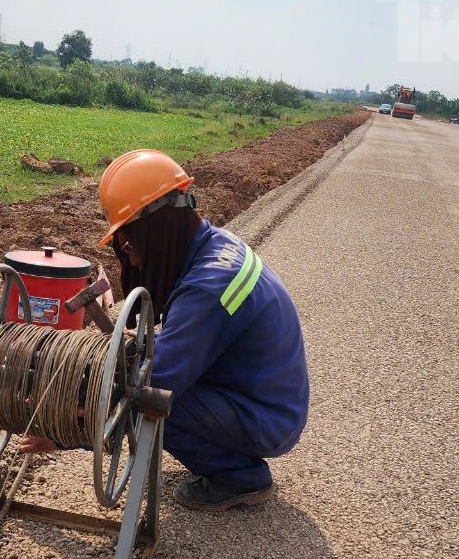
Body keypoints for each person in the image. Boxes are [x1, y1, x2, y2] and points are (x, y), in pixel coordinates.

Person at [21, 149, 309, 512]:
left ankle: (240, 477)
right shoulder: (210, 245)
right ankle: (226, 455)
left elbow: (147, 384)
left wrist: (66, 425)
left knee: (149, 401)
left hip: (268, 416)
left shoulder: (207, 289)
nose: (132, 255)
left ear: (154, 227)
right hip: (261, 393)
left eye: (130, 242)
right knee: (147, 376)